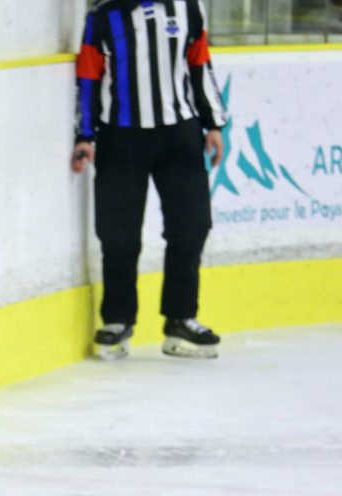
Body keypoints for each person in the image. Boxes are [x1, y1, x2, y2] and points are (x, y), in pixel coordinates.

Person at [71, 0, 228, 360]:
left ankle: (181, 318)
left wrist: (213, 123)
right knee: (118, 233)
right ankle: (117, 321)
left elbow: (200, 63)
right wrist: (85, 134)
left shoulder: (188, 8)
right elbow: (88, 75)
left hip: (181, 133)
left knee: (192, 225)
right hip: (121, 137)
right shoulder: (103, 16)